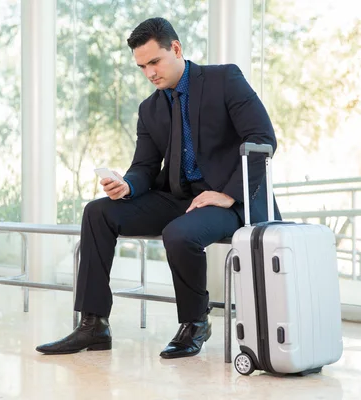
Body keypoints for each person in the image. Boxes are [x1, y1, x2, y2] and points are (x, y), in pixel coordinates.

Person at [36, 17, 281, 359]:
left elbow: (263, 140)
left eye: (155, 62)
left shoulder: (224, 79)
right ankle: (93, 324)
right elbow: (144, 168)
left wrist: (227, 194)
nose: (149, 73)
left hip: (232, 201)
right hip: (179, 196)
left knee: (178, 234)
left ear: (176, 49)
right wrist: (126, 186)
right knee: (98, 212)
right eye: (141, 66)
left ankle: (195, 323)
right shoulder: (149, 109)